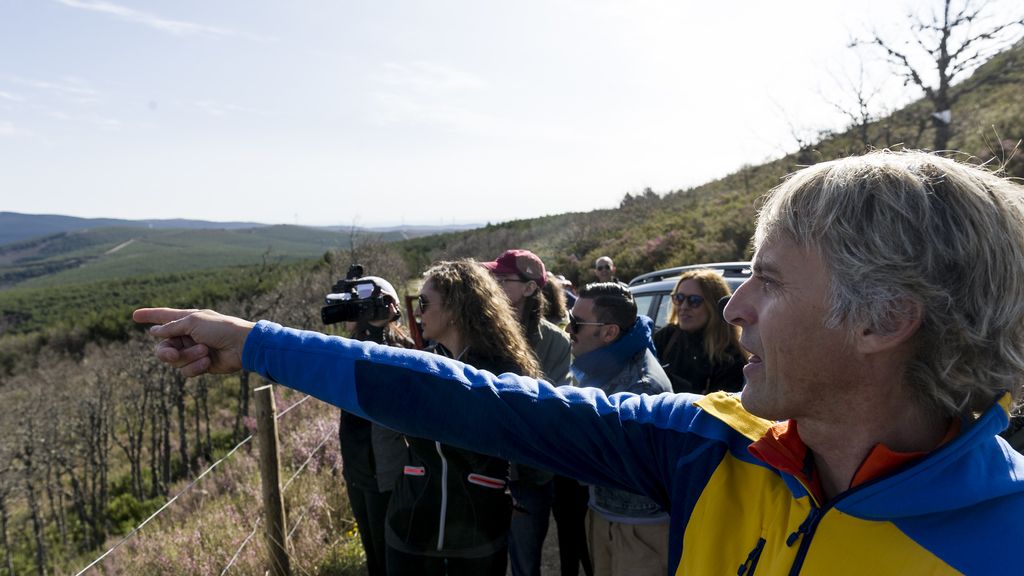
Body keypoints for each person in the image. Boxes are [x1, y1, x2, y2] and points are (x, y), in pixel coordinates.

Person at [137, 150, 1024, 574]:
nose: (737, 306)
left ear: (885, 320)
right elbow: (477, 402)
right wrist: (255, 342)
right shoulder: (715, 444)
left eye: (772, 281)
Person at [482, 249, 571, 576]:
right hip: (482, 472)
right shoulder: (479, 335)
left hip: (530, 477)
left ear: (531, 288)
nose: (492, 284)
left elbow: (552, 410)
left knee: (524, 564)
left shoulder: (556, 344)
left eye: (502, 279)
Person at [337, 276, 416, 576]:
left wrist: (374, 334)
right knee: (373, 553)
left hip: (386, 471)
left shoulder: (403, 349)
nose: (351, 316)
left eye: (357, 309)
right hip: (358, 469)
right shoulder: (346, 349)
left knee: (389, 554)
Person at [652, 269, 746, 394]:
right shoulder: (667, 337)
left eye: (694, 300)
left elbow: (719, 410)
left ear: (712, 305)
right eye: (679, 298)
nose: (683, 307)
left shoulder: (730, 356)